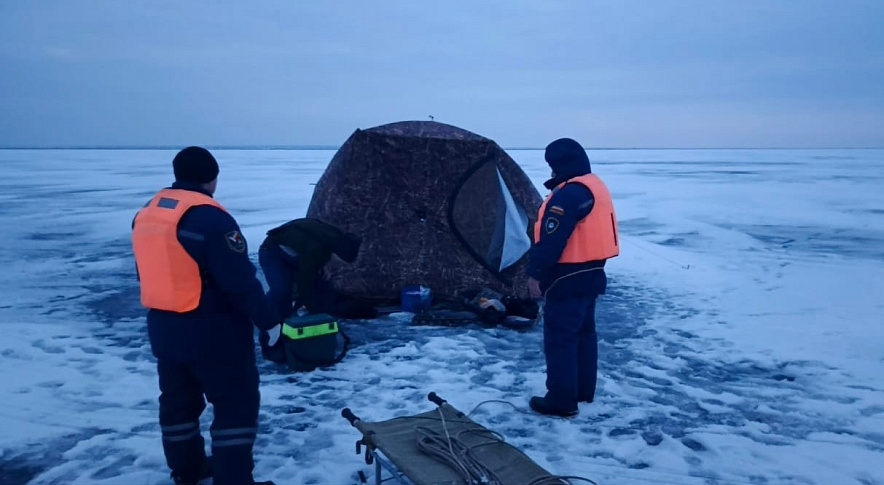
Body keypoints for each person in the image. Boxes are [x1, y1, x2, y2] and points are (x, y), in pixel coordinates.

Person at [131, 146, 279, 485]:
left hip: (164, 328)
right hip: (214, 331)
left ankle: (187, 470)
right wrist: (268, 321)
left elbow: (148, 271)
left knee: (178, 403)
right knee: (235, 405)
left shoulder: (147, 214)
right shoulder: (211, 218)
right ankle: (234, 480)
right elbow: (239, 281)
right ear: (212, 178)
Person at [526, 138, 619, 417]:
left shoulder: (569, 195)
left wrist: (535, 275)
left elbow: (553, 240)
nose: (551, 172)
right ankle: (582, 391)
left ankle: (561, 399)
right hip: (593, 272)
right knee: (584, 333)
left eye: (552, 166)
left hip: (567, 276)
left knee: (561, 338)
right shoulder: (593, 186)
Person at [257, 218, 376, 359]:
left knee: (322, 286)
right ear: (336, 254)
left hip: (296, 252)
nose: (340, 266)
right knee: (281, 292)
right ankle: (271, 330)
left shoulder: (335, 238)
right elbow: (304, 285)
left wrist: (321, 264)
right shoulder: (316, 249)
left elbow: (315, 248)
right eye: (340, 262)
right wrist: (315, 313)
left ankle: (291, 325)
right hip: (272, 252)